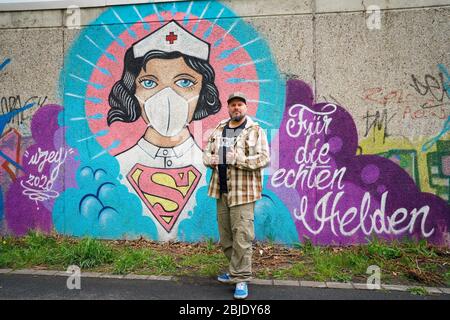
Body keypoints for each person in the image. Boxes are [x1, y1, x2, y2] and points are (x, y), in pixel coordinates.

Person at [107, 20, 221, 240]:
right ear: (132, 91)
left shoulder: (209, 168)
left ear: (203, 91)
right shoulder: (117, 168)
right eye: (149, 83)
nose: (167, 97)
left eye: (185, 82)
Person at [203, 92, 270, 299]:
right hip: (221, 190)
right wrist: (211, 159)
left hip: (243, 193)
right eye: (233, 105)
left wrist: (238, 159)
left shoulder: (255, 130)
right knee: (226, 237)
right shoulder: (220, 128)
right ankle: (234, 270)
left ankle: (241, 278)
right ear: (228, 108)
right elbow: (206, 153)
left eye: (240, 104)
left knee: (242, 236)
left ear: (246, 107)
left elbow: (264, 159)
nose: (236, 108)